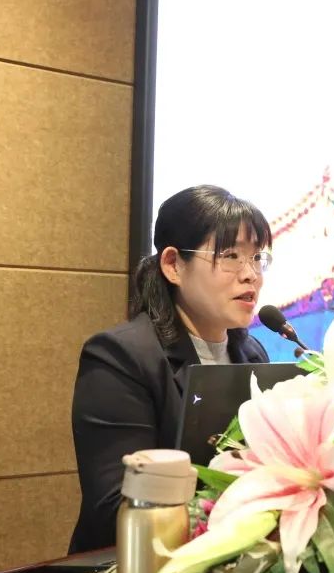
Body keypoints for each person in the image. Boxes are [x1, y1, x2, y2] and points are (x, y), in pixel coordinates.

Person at [68, 185, 273, 553]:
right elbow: (116, 505)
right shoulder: (121, 357)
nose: (251, 275)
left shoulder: (253, 356)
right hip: (129, 569)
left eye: (257, 257)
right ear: (174, 265)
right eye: (230, 256)